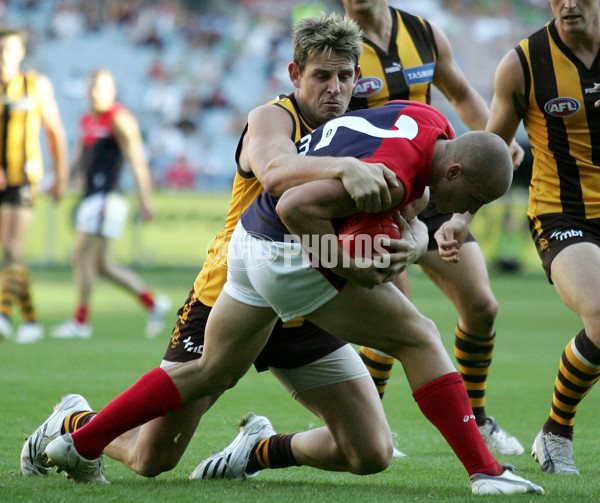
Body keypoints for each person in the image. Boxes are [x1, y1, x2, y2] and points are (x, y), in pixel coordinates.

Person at [40, 100, 544, 496]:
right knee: (421, 337)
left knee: (213, 371)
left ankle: (79, 443)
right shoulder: (391, 173)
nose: (466, 211)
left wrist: (410, 241)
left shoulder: (429, 123)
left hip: (249, 239)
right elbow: (299, 203)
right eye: (473, 200)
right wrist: (348, 264)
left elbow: (412, 200)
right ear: (454, 172)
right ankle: (486, 471)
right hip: (286, 248)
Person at [22, 13, 407, 485]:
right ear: (294, 75)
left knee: (371, 452)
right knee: (151, 459)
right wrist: (347, 168)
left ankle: (257, 450)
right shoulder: (272, 117)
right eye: (321, 75)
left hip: (304, 302)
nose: (334, 88)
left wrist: (418, 237)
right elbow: (274, 170)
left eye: (345, 76)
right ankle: (71, 423)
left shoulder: (361, 128)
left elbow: (408, 200)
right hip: (230, 293)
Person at [341, 0, 524, 456]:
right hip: (379, 192)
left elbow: (461, 93)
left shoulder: (423, 34)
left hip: (439, 183)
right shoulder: (339, 43)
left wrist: (493, 145)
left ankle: (477, 417)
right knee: (394, 312)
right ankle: (375, 426)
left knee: (481, 306)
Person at [486, 0, 600, 476]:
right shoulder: (523, 62)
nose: (568, 3)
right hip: (562, 214)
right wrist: (454, 214)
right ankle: (557, 431)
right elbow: (491, 152)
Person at [49, 69, 171, 339]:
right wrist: (62, 182)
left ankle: (80, 321)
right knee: (102, 265)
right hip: (92, 197)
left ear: (112, 91)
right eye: (91, 88)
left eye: (100, 88)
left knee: (80, 256)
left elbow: (136, 160)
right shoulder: (87, 120)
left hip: (107, 197)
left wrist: (145, 199)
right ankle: (152, 304)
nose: (95, 93)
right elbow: (78, 156)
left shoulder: (119, 119)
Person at [0, 27, 68, 344]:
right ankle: (30, 320)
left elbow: (54, 131)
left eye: (9, 50)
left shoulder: (35, 85)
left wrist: (62, 175)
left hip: (26, 176)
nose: (4, 56)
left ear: (21, 53)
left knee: (12, 245)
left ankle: (2, 314)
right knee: (12, 250)